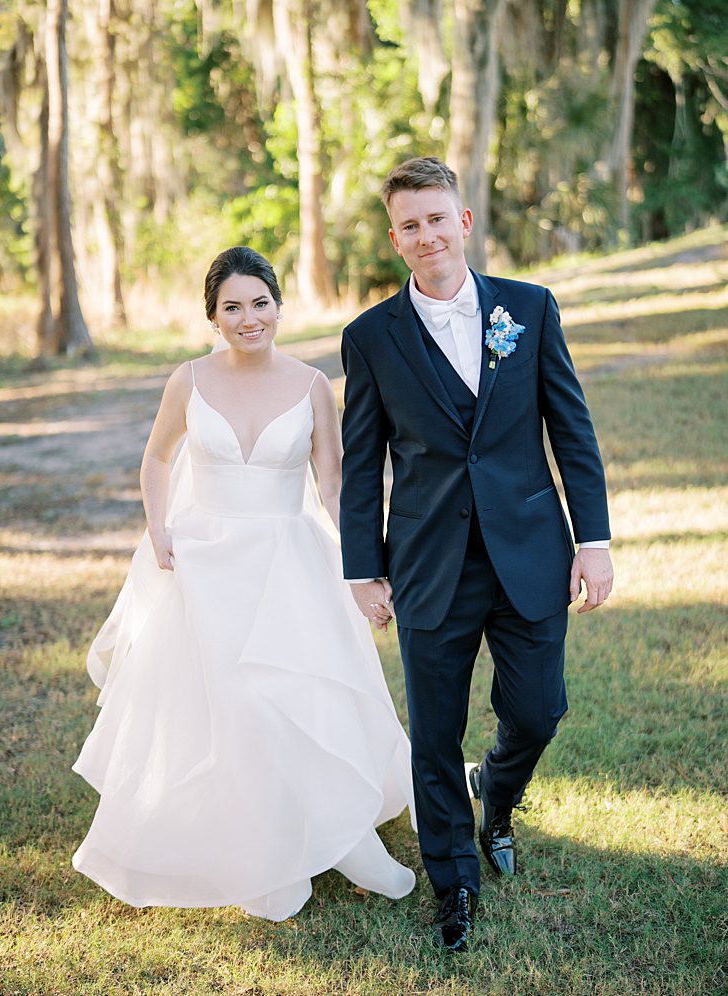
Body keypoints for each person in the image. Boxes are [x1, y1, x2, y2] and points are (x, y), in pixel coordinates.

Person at [72, 247, 416, 920]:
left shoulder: (313, 385)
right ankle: (260, 854)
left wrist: (364, 566)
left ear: (279, 308)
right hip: (205, 563)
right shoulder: (189, 380)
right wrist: (159, 528)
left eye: (260, 303)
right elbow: (156, 459)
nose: (249, 318)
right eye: (232, 306)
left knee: (293, 699)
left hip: (287, 559)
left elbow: (333, 486)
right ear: (213, 316)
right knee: (229, 706)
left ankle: (339, 834)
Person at [340, 156, 613, 951]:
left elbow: (573, 431)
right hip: (427, 562)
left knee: (538, 711)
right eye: (409, 225)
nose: (426, 235)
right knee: (433, 733)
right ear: (395, 240)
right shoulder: (370, 338)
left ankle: (497, 790)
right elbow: (363, 464)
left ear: (463, 222)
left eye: (437, 218)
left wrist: (592, 542)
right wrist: (365, 569)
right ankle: (452, 882)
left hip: (530, 549)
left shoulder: (529, 309)